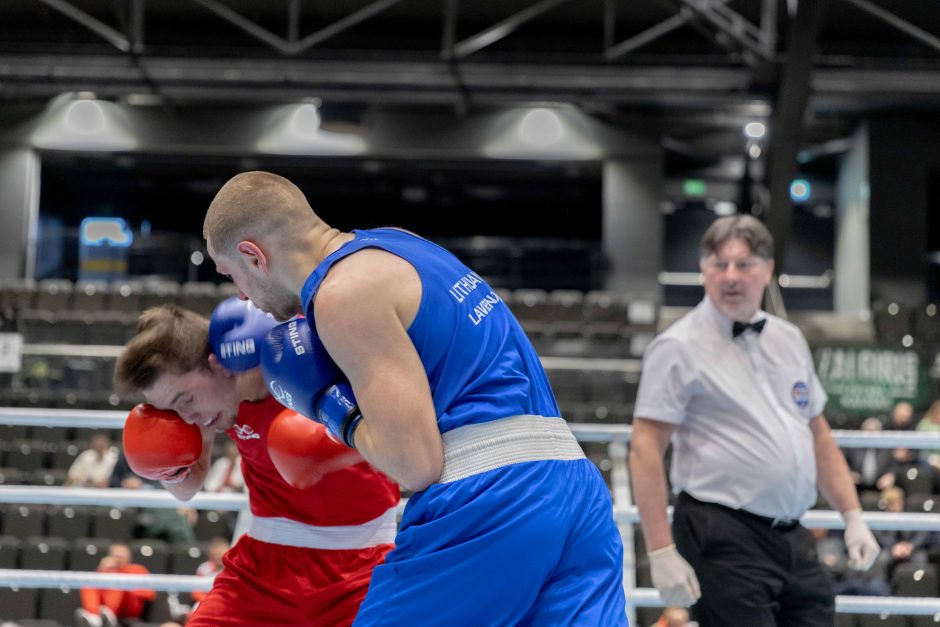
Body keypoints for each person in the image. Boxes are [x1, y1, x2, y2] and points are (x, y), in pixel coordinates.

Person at [202, 171, 626, 625]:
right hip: (576, 491)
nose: (244, 297)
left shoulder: (342, 295)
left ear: (254, 255)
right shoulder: (400, 244)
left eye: (233, 276)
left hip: (490, 502)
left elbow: (414, 462)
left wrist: (331, 407)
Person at [629, 214, 880, 626]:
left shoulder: (789, 338)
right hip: (720, 534)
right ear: (702, 271)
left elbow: (816, 433)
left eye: (744, 264)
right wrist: (659, 551)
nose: (731, 276)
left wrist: (852, 516)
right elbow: (645, 448)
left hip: (792, 535)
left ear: (767, 269)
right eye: (718, 264)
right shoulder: (676, 347)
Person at [113, 301, 400, 627]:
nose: (187, 418)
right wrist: (165, 464)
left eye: (185, 401)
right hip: (263, 566)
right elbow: (187, 489)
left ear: (217, 365)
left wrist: (336, 441)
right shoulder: (203, 408)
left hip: (360, 566)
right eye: (173, 412)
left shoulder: (304, 353)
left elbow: (397, 417)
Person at [75, 542, 156, 627]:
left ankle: (105, 617)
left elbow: (150, 594)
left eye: (121, 556)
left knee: (117, 581)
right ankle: (94, 617)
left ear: (129, 557)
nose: (119, 559)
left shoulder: (138, 570)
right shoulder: (106, 570)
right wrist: (102, 571)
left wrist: (127, 584)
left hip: (129, 608)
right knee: (89, 582)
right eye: (115, 556)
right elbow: (97, 592)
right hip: (103, 609)